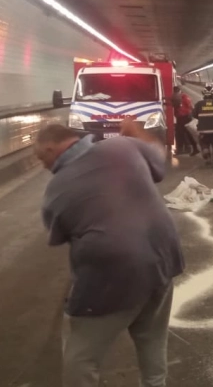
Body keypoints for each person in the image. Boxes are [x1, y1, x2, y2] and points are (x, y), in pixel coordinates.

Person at [35, 119, 185, 387]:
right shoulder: (123, 147)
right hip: (164, 259)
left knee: (81, 356)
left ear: (51, 148)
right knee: (151, 339)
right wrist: (135, 131)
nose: (43, 165)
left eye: (41, 156)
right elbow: (159, 162)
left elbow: (58, 234)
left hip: (111, 278)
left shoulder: (56, 190)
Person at [173, 86, 199, 156]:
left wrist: (193, 114)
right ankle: (191, 148)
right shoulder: (180, 97)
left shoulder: (184, 97)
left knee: (182, 134)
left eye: (176, 92)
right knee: (186, 133)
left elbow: (191, 106)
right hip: (182, 117)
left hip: (185, 117)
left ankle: (184, 149)